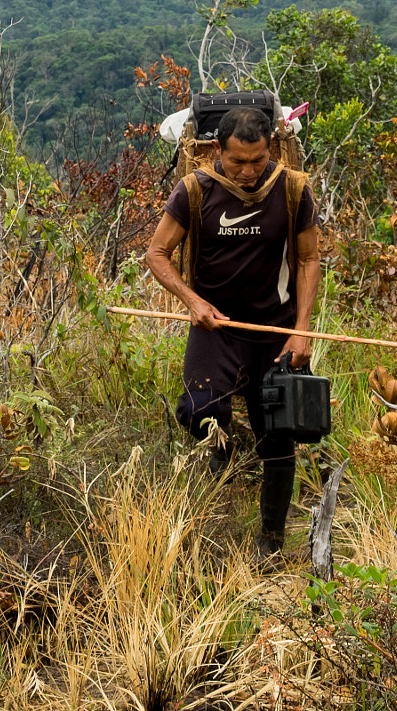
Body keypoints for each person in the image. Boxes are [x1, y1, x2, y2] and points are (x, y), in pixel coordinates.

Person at [143, 103, 321, 558]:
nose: (247, 171)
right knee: (201, 413)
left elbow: (307, 259)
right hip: (215, 327)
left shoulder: (293, 190)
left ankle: (271, 542)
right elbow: (157, 254)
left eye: (258, 160)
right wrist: (193, 301)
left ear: (272, 149)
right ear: (218, 151)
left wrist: (301, 331)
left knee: (279, 434)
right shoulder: (194, 191)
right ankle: (212, 521)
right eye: (237, 161)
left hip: (277, 329)